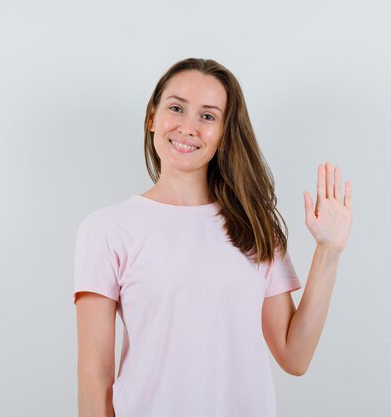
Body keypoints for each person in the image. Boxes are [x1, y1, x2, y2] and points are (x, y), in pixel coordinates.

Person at [73, 57, 353, 417]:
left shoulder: (254, 227)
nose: (188, 127)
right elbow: (94, 374)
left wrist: (328, 251)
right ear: (152, 118)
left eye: (207, 116)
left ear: (223, 135)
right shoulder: (106, 230)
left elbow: (294, 356)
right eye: (176, 108)